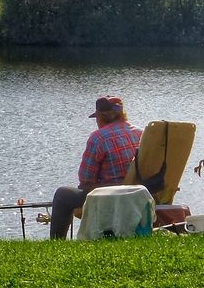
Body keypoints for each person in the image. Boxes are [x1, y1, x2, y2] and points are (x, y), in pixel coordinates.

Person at [49, 96, 143, 240]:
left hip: (113, 196)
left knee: (63, 195)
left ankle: (56, 243)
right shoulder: (141, 134)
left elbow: (86, 181)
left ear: (101, 117)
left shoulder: (98, 138)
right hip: (141, 193)